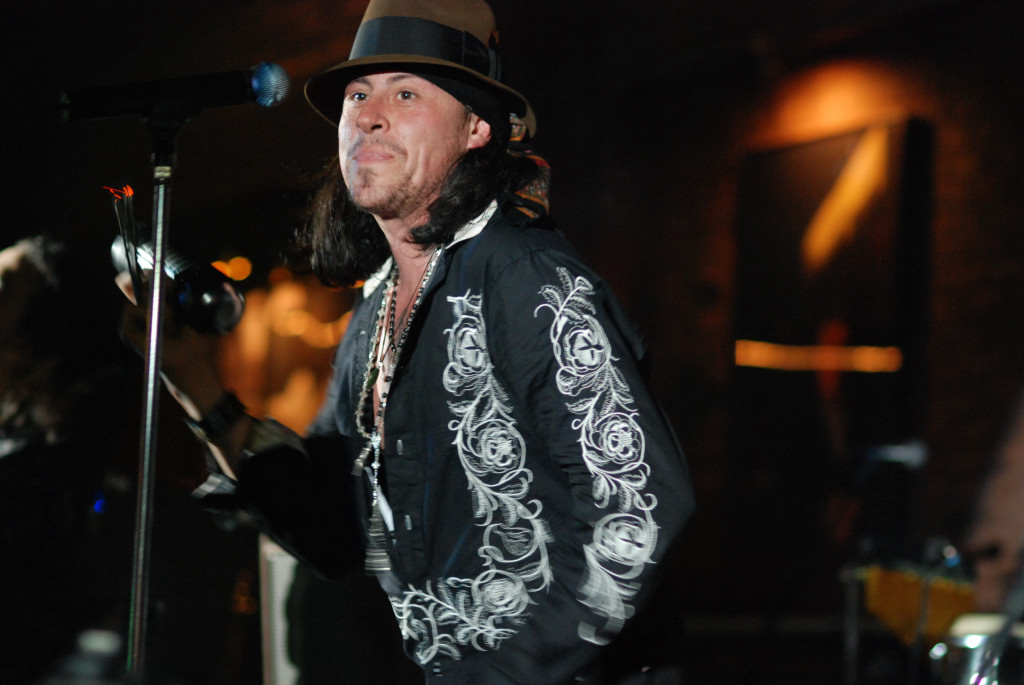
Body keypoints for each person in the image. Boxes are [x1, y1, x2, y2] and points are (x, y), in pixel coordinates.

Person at [119, 0, 695, 682]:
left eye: (406, 93)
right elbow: (336, 531)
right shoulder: (374, 311)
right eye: (357, 95)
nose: (368, 114)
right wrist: (194, 380)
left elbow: (639, 506)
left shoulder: (523, 276)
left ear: (477, 127)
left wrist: (499, 674)